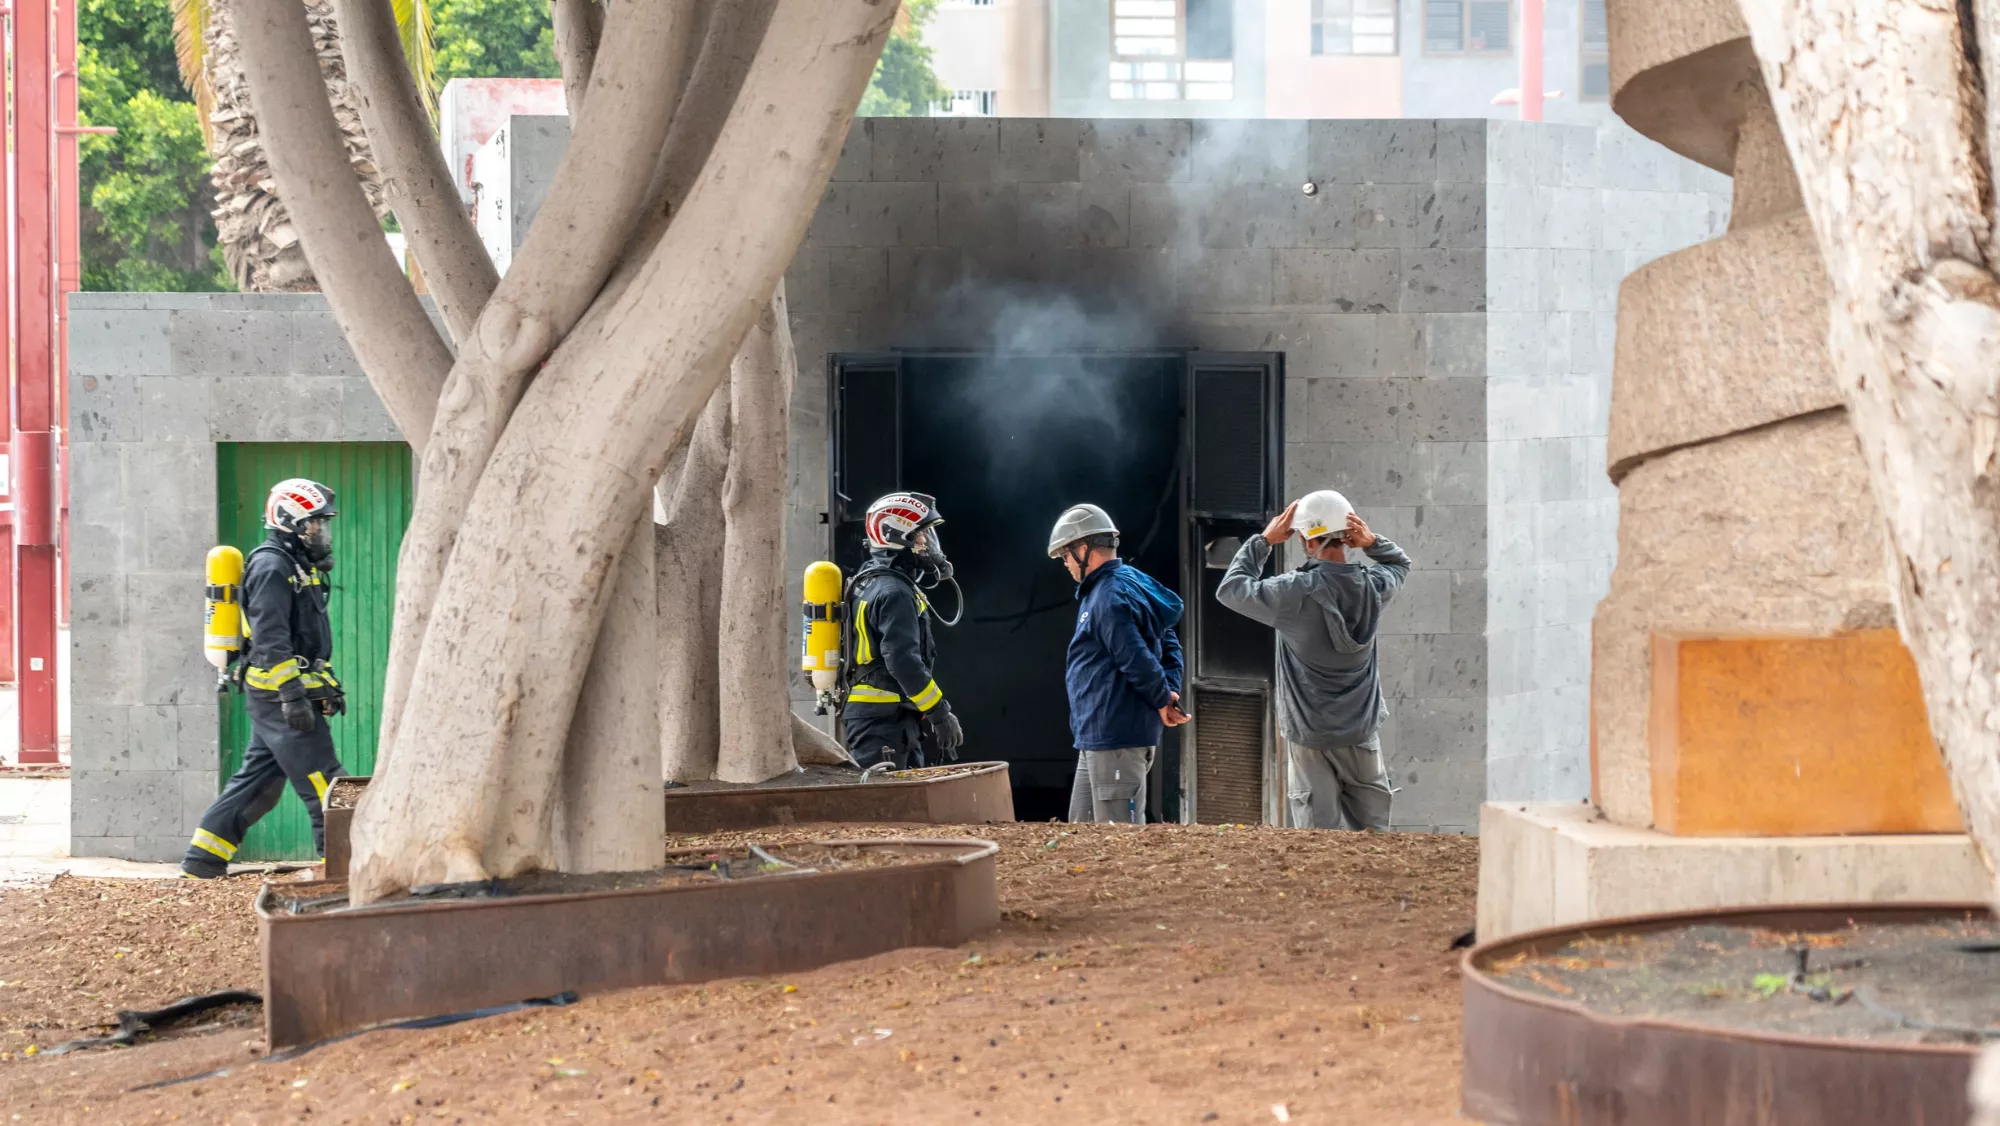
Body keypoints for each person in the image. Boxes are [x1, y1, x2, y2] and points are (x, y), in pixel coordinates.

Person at [1215, 490, 1410, 831]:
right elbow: (1399, 564)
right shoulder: (1373, 587)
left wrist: (1263, 541)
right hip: (1361, 734)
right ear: (1348, 537)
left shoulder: (1293, 592)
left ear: (1306, 539)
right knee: (1377, 839)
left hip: (1311, 738)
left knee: (1317, 843)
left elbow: (1231, 589)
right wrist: (1372, 542)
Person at [182, 479, 348, 878]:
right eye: (315, 524)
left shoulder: (292, 564)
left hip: (279, 696)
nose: (322, 533)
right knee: (327, 786)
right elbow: (271, 639)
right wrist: (292, 697)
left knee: (258, 783)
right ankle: (343, 871)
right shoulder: (272, 567)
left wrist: (326, 685)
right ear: (291, 521)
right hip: (278, 698)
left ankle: (203, 861)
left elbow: (303, 640)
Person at [1047, 503, 1187, 824]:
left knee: (1118, 844)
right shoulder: (1127, 584)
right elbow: (1168, 641)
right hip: (1098, 738)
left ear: (1083, 549)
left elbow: (1134, 656)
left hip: (1116, 738)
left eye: (1066, 556)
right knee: (1080, 836)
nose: (1065, 564)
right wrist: (1168, 691)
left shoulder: (1108, 596)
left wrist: (1163, 697)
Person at [839, 492, 965, 770]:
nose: (929, 546)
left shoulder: (870, 579)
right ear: (896, 537)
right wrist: (940, 713)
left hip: (882, 717)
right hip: (883, 723)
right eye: (922, 537)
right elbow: (903, 661)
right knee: (885, 807)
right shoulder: (895, 592)